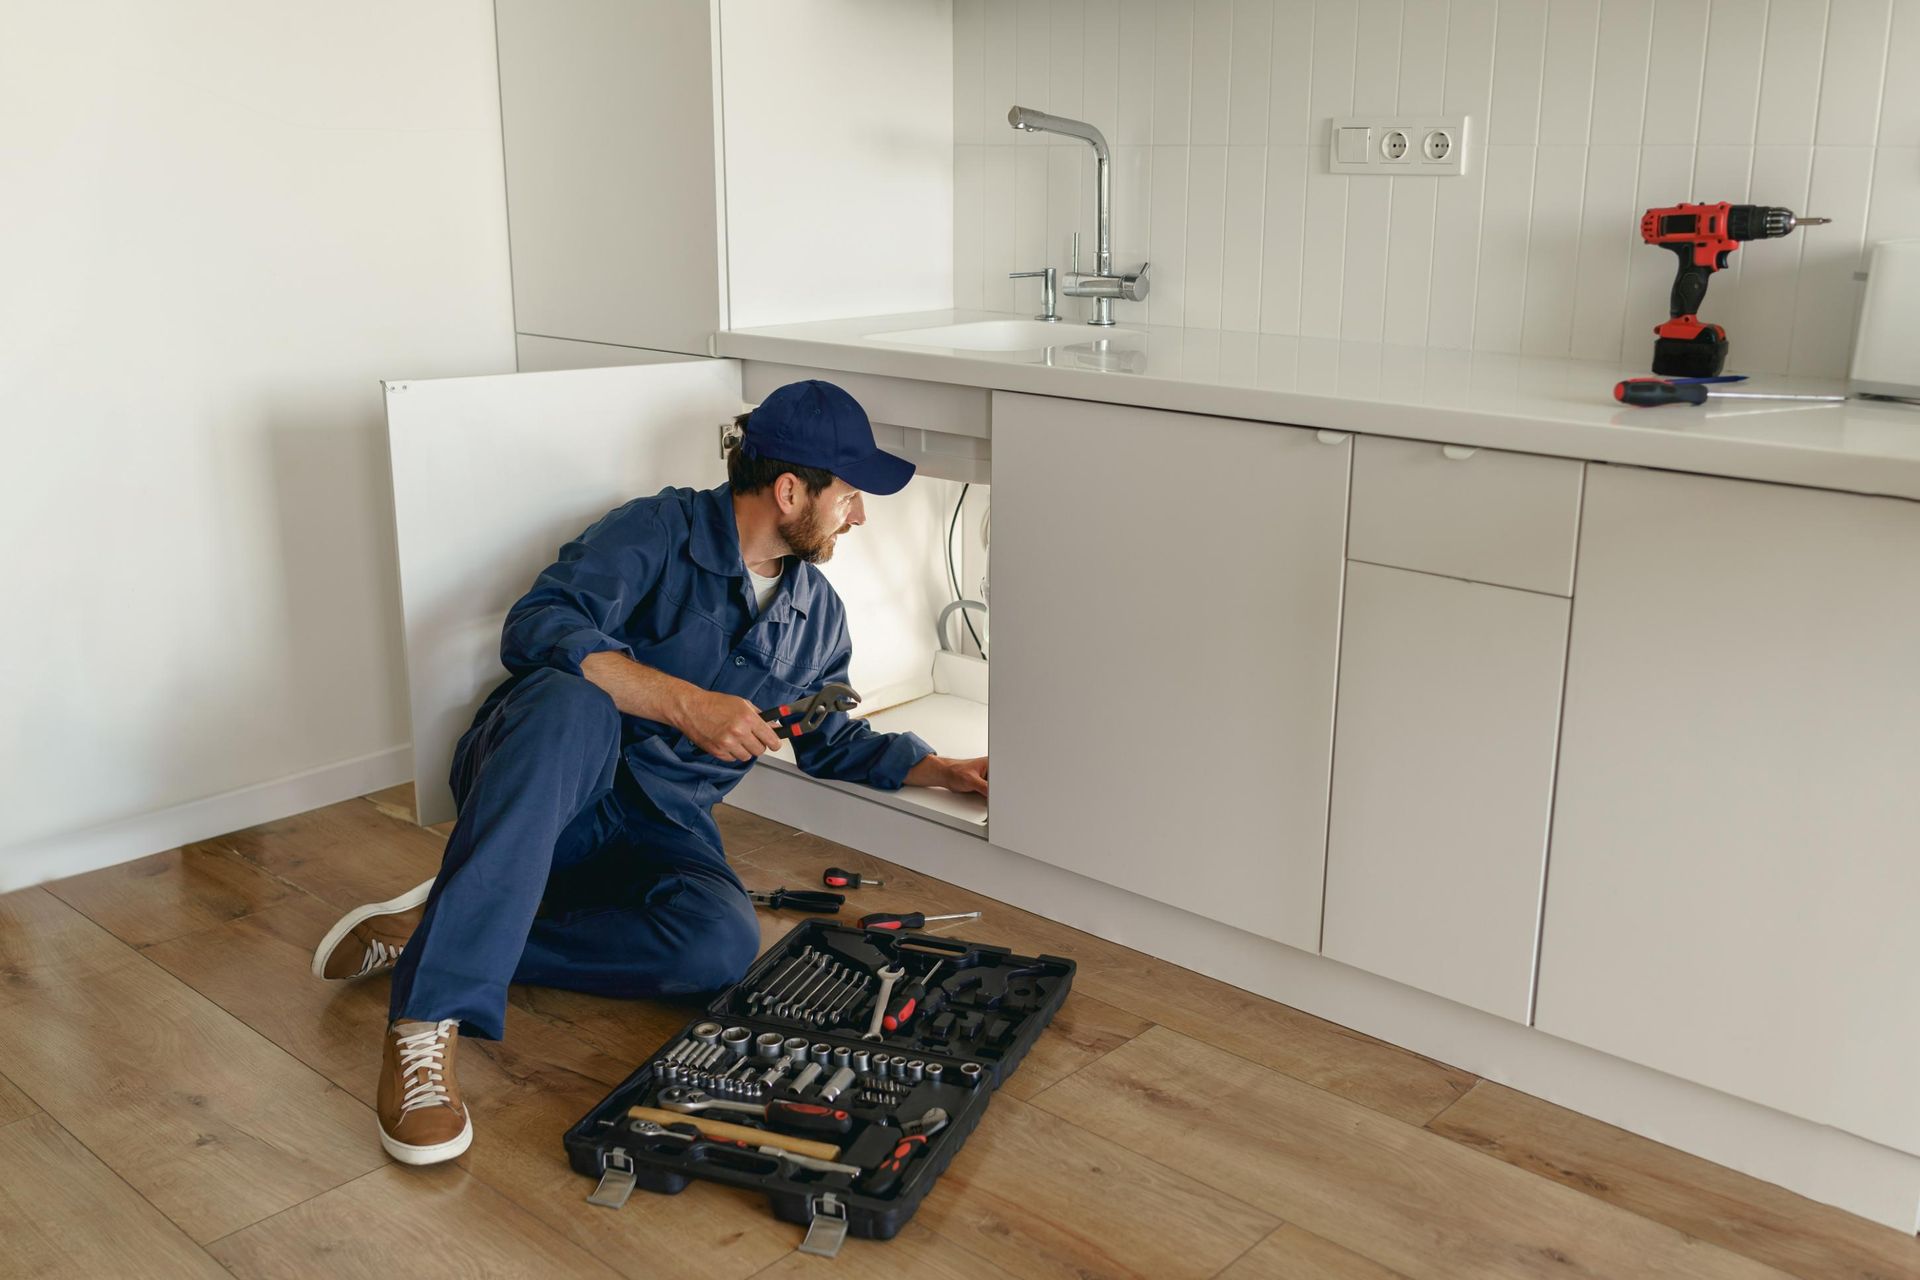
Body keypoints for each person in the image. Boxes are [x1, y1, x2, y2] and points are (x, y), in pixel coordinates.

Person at [309, 380, 989, 1165]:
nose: (859, 516)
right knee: (573, 702)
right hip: (549, 788)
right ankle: (427, 1020)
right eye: (850, 496)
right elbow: (539, 625)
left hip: (659, 824)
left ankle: (439, 931)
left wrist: (945, 770)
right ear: (790, 490)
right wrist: (684, 704)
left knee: (720, 946)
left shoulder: (818, 617)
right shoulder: (657, 530)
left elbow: (828, 738)